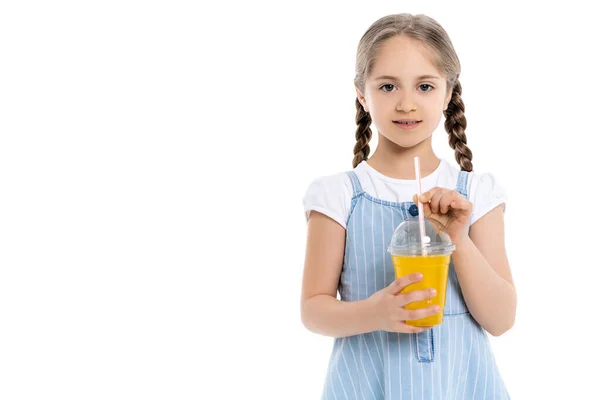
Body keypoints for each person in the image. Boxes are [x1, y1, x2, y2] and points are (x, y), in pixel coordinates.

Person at [301, 13, 516, 399]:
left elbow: (501, 319)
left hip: (461, 387)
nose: (406, 103)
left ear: (448, 93)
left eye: (424, 86)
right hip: (367, 386)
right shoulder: (338, 196)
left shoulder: (476, 194)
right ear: (362, 94)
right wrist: (376, 313)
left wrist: (458, 241)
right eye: (387, 86)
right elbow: (313, 310)